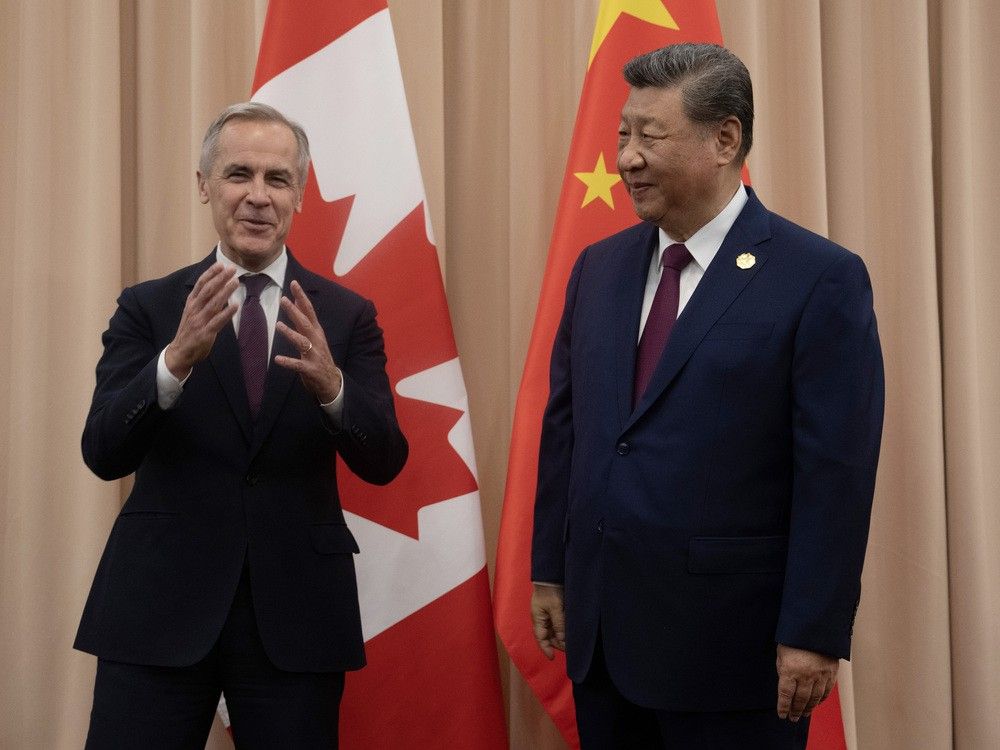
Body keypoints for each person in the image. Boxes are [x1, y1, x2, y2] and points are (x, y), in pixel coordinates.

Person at [530, 43, 883, 748]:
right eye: (623, 134)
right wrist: (549, 571)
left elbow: (835, 474)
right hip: (603, 643)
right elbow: (567, 429)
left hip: (732, 652)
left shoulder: (818, 279)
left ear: (724, 139)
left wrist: (813, 632)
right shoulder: (598, 269)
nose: (628, 157)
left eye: (649, 136)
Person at [75, 101, 408, 748]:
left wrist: (332, 388)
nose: (258, 196)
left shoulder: (344, 316)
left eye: (277, 179)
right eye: (238, 175)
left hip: (296, 613)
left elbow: (386, 458)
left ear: (300, 195)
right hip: (160, 608)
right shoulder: (151, 308)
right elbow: (104, 449)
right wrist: (173, 364)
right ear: (204, 185)